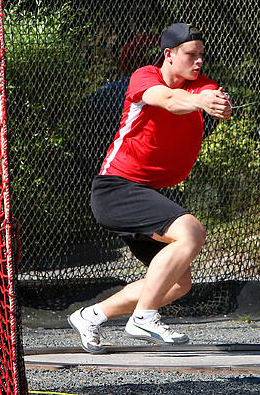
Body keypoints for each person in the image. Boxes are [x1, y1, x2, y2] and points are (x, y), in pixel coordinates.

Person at [68, 23, 232, 353]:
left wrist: (217, 104)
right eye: (191, 54)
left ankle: (91, 316)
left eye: (201, 54)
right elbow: (169, 100)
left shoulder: (202, 85)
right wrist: (201, 101)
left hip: (145, 191)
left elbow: (206, 99)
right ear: (169, 55)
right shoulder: (145, 77)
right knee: (191, 232)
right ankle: (144, 317)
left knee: (178, 283)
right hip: (116, 189)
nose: (198, 60)